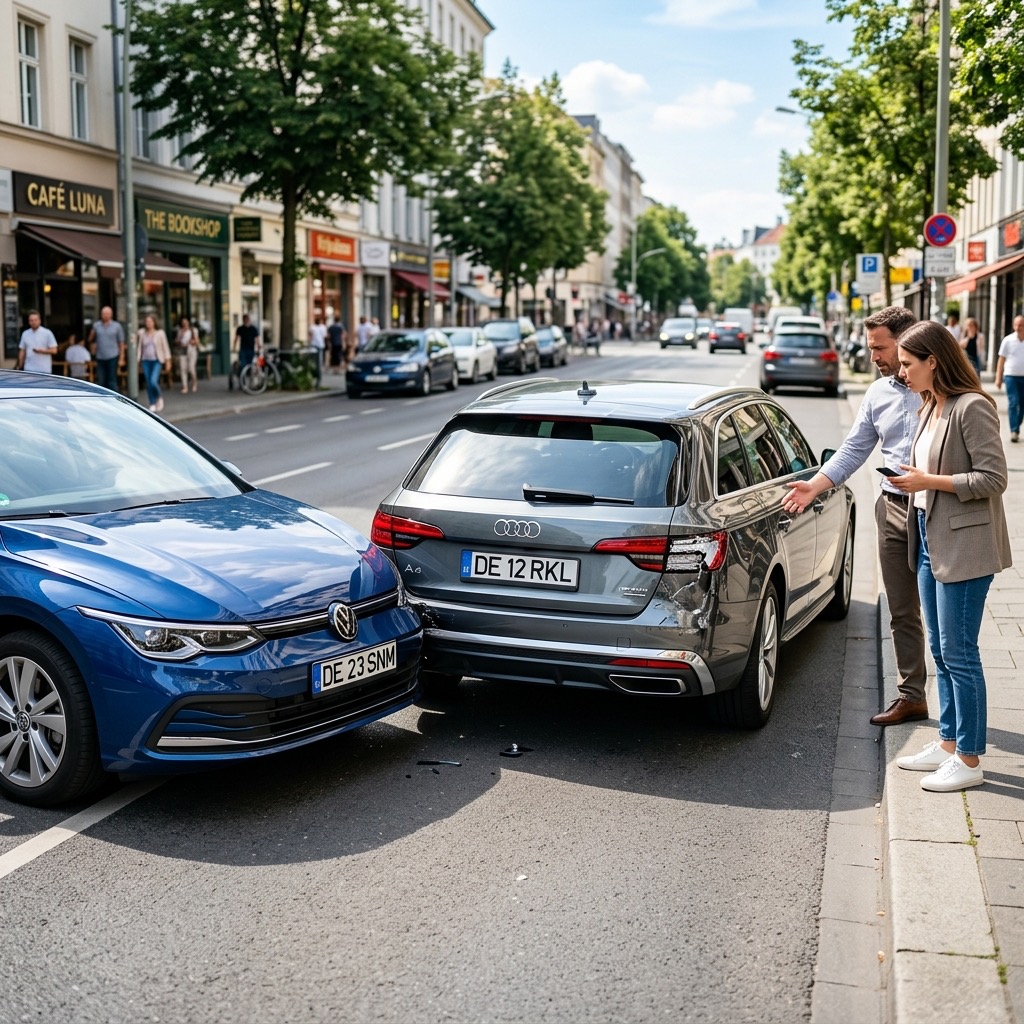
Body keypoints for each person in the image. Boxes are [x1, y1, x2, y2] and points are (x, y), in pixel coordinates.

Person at [784, 305, 928, 727]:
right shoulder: (877, 393)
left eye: (880, 348)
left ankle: (957, 712)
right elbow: (853, 450)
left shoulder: (940, 387)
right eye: (872, 348)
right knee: (901, 609)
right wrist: (816, 484)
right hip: (893, 510)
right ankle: (912, 695)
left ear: (906, 341)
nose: (873, 357)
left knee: (941, 614)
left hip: (937, 510)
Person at [890, 320, 1010, 792]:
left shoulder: (971, 406)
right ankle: (946, 743)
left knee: (960, 653)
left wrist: (929, 482)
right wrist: (913, 478)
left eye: (906, 363)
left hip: (965, 544)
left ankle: (970, 758)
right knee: (940, 650)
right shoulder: (931, 405)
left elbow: (993, 479)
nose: (901, 373)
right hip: (928, 536)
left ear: (932, 361)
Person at [994, 314, 1024, 443]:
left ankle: (1016, 426)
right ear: (1013, 326)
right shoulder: (1007, 340)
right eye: (1016, 325)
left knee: (1022, 404)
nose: (1018, 327)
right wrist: (998, 377)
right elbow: (1001, 359)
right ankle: (1014, 430)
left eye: (1021, 325)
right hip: (1010, 376)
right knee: (1014, 402)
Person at [137, 314, 171, 413]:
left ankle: (159, 397)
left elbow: (165, 347)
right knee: (148, 382)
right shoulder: (142, 333)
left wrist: (168, 360)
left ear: (154, 322)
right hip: (145, 360)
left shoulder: (160, 333)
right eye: (147, 322)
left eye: (150, 321)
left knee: (153, 381)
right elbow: (136, 338)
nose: (148, 323)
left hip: (156, 360)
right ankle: (152, 403)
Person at [88, 305, 125, 391]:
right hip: (100, 356)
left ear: (111, 315)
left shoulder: (117, 326)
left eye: (107, 314)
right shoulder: (96, 325)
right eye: (104, 314)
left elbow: (121, 343)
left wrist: (121, 358)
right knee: (101, 381)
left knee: (111, 380)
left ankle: (114, 401)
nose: (105, 315)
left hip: (113, 356)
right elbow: (90, 339)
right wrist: (92, 334)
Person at [175, 316, 199, 394]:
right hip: (182, 350)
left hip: (191, 350)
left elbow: (197, 342)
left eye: (186, 322)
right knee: (183, 369)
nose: (184, 324)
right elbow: (177, 341)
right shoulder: (180, 331)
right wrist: (181, 336)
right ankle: (185, 386)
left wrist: (191, 342)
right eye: (183, 323)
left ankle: (194, 383)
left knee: (191, 368)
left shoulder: (193, 330)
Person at [308, 316, 327, 386]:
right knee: (315, 361)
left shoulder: (322, 327)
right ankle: (316, 373)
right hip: (315, 345)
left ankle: (318, 376)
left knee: (318, 361)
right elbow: (310, 335)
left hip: (319, 345)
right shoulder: (313, 327)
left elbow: (324, 336)